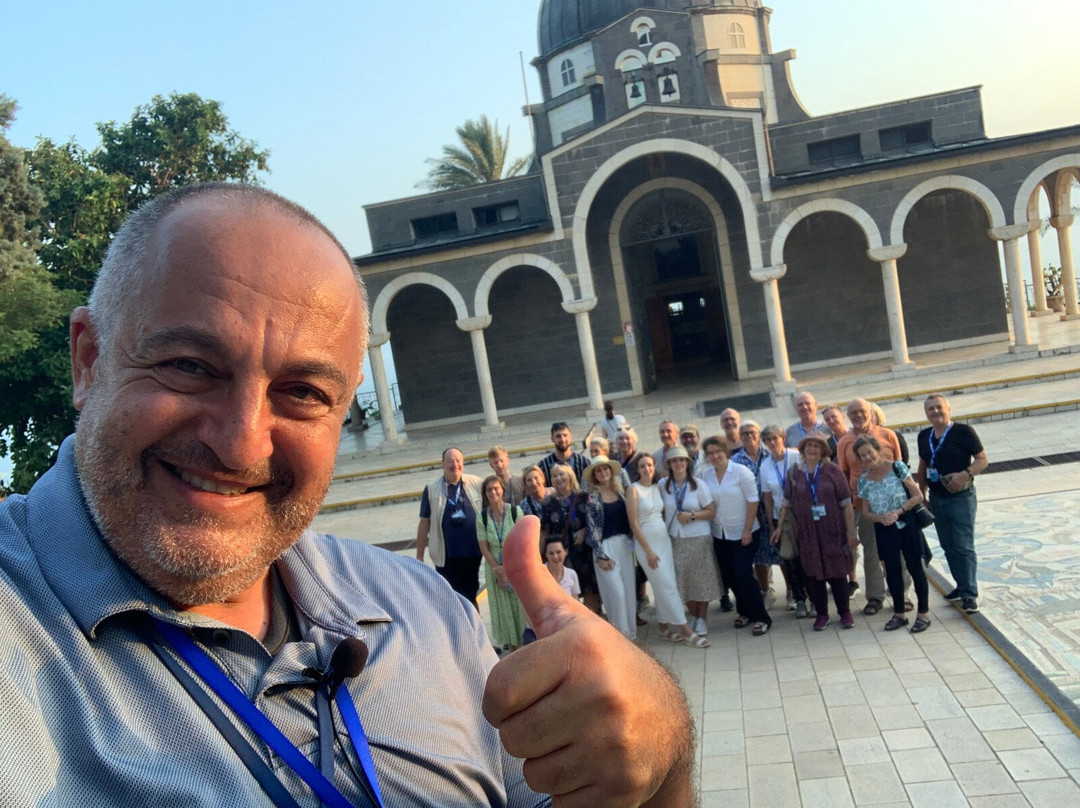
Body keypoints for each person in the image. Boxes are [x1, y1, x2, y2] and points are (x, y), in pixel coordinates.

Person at [0, 184, 694, 806]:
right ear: (88, 360)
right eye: (189, 366)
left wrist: (662, 762)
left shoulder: (426, 615)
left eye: (302, 392)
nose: (241, 444)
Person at [773, 434, 858, 631]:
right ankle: (821, 614)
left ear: (823, 451)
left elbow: (846, 503)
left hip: (832, 529)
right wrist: (779, 527)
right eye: (809, 446)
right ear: (803, 450)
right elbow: (786, 501)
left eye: (817, 446)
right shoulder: (794, 472)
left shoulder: (832, 470)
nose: (812, 449)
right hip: (807, 530)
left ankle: (844, 612)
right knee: (813, 573)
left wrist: (850, 531)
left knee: (837, 571)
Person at [624, 455, 708, 648]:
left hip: (663, 541)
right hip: (647, 544)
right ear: (638, 469)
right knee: (668, 586)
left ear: (654, 467)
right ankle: (687, 631)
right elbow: (634, 524)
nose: (646, 469)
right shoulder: (633, 489)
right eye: (642, 466)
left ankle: (663, 628)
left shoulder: (657, 487)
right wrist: (648, 551)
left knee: (665, 584)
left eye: (649, 465)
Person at [917, 394, 988, 615]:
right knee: (947, 544)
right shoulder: (924, 436)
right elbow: (923, 465)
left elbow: (982, 460)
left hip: (961, 498)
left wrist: (965, 474)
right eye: (931, 409)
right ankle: (961, 584)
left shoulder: (963, 432)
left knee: (963, 545)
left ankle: (969, 594)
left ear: (948, 409)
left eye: (939, 407)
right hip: (937, 498)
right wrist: (922, 494)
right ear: (926, 414)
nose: (935, 412)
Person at [836, 397, 905, 617]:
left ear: (870, 412)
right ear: (848, 416)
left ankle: (903, 594)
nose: (858, 415)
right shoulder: (844, 442)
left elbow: (899, 466)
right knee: (872, 552)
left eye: (862, 411)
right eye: (853, 412)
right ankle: (875, 596)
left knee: (898, 550)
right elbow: (844, 474)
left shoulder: (888, 435)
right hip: (864, 506)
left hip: (893, 505)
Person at [855, 437, 931, 633]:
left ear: (877, 450)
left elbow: (917, 495)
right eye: (862, 455)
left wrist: (899, 511)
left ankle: (923, 613)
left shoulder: (897, 467)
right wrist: (880, 518)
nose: (867, 457)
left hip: (906, 522)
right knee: (892, 570)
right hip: (884, 527)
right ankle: (899, 614)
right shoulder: (864, 480)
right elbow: (865, 512)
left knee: (914, 566)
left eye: (869, 452)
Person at [701, 437, 772, 636]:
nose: (715, 456)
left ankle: (761, 617)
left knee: (743, 573)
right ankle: (744, 612)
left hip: (744, 533)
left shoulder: (741, 472)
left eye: (718, 451)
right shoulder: (707, 475)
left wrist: (747, 529)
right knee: (730, 575)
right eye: (710, 453)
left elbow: (753, 501)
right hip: (720, 534)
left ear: (725, 451)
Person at [656, 447, 718, 636]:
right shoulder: (662, 485)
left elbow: (711, 511)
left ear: (687, 463)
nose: (679, 464)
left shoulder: (698, 484)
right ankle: (693, 614)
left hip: (698, 537)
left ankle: (702, 619)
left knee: (702, 579)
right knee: (683, 580)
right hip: (675, 538)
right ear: (669, 464)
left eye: (682, 460)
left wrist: (691, 516)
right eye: (674, 461)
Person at [418, 447, 484, 607]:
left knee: (470, 594)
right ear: (442, 464)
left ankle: (472, 621)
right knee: (452, 597)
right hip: (446, 555)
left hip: (472, 553)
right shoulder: (431, 489)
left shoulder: (477, 483)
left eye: (458, 461)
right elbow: (424, 523)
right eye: (450, 461)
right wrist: (419, 556)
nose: (455, 465)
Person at [582, 455, 637, 639]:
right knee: (617, 594)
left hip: (624, 546)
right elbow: (592, 530)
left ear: (611, 472)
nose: (603, 472)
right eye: (598, 470)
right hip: (605, 547)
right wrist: (600, 556)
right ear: (594, 476)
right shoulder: (593, 499)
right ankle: (621, 636)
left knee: (628, 592)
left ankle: (632, 635)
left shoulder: (621, 493)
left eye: (605, 468)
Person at [760, 425, 809, 618]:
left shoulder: (797, 456)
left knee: (807, 556)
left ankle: (814, 598)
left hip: (802, 513)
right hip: (781, 517)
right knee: (790, 559)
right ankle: (799, 599)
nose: (772, 442)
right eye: (768, 440)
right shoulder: (765, 466)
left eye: (775, 438)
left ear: (783, 437)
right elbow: (767, 497)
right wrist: (772, 525)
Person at [539, 464, 599, 614]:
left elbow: (595, 521)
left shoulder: (584, 497)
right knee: (568, 594)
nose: (558, 478)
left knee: (590, 591)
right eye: (554, 475)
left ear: (570, 476)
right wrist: (541, 555)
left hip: (585, 553)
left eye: (562, 474)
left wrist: (585, 530)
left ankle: (592, 622)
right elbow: (544, 530)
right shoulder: (548, 502)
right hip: (562, 555)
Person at [477, 476, 528, 650]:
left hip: (514, 564)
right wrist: (498, 570)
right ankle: (512, 647)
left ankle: (524, 644)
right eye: (489, 489)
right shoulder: (482, 517)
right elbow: (484, 546)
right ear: (485, 493)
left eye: (496, 488)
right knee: (502, 608)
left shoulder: (515, 511)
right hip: (494, 568)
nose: (493, 492)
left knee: (519, 605)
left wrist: (507, 568)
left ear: (502, 490)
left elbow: (522, 541)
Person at [731, 420, 778, 606]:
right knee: (759, 554)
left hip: (773, 509)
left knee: (782, 551)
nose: (749, 436)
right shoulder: (735, 461)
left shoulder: (770, 455)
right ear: (740, 437)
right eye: (745, 433)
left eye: (753, 432)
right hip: (751, 513)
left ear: (759, 435)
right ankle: (765, 589)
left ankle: (792, 591)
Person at [538, 422, 589, 487]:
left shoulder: (583, 462)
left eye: (565, 435)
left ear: (570, 437)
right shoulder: (543, 466)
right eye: (558, 436)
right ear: (552, 439)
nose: (562, 439)